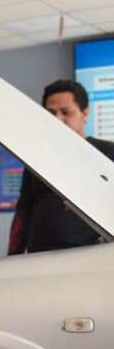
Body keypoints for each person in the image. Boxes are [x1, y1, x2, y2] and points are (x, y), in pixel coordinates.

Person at [8, 79, 114, 254]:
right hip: (40, 256)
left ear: (85, 113)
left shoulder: (108, 152)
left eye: (66, 112)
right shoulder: (36, 159)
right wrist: (13, 255)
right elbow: (24, 211)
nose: (57, 119)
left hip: (92, 256)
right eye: (51, 113)